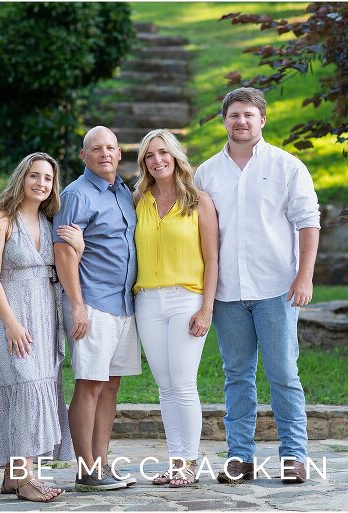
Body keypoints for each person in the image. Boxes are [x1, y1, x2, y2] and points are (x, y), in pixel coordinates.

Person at [194, 87, 321, 484]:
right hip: (228, 293)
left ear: (262, 120)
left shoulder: (287, 166)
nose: (241, 121)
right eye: (234, 115)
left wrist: (304, 276)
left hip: (276, 290)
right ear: (224, 120)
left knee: (283, 373)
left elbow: (308, 222)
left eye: (248, 114)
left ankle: (294, 457)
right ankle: (239, 458)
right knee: (237, 376)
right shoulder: (206, 173)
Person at [0, 152, 85, 502]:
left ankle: (12, 476)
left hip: (45, 319)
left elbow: (62, 270)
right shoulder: (0, 221)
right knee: (23, 388)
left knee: (36, 389)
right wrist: (10, 323)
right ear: (22, 178)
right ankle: (26, 480)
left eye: (48, 178)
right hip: (12, 319)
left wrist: (78, 251)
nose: (41, 183)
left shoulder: (51, 222)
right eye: (35, 176)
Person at [53, 126, 141, 491]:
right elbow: (62, 251)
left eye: (110, 148)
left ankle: (102, 464)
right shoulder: (75, 194)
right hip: (91, 302)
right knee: (89, 384)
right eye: (96, 148)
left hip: (123, 303)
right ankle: (85, 469)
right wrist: (77, 306)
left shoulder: (123, 192)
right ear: (83, 156)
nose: (105, 154)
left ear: (120, 154)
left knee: (111, 384)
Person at [131, 129, 218, 488]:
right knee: (165, 387)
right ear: (144, 163)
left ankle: (190, 463)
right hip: (147, 301)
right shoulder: (139, 198)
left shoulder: (198, 200)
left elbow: (212, 259)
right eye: (150, 156)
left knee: (183, 384)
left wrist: (206, 308)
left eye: (163, 153)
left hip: (187, 299)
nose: (158, 160)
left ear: (176, 156)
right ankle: (175, 461)